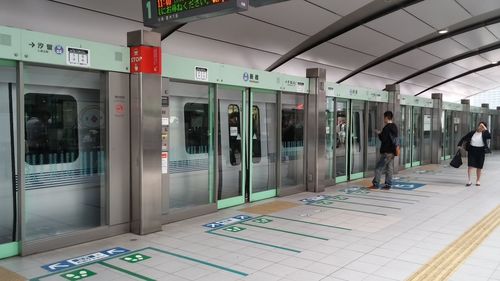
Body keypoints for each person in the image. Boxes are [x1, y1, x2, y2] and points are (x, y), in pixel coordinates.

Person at [369, 111, 398, 190]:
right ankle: (388, 184)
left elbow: (383, 139)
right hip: (392, 152)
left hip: (386, 152)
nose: (383, 119)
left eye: (384, 117)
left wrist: (379, 133)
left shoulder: (386, 127)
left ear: (386, 117)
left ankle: (376, 184)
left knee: (379, 168)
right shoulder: (394, 126)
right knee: (389, 168)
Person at [457, 121, 491, 186]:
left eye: (482, 127)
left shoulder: (484, 134)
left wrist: (485, 128)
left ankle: (478, 180)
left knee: (479, 166)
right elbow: (464, 138)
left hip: (481, 151)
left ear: (484, 128)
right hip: (472, 150)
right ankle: (469, 181)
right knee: (470, 165)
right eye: (480, 126)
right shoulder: (472, 132)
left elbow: (489, 136)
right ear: (477, 126)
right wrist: (459, 145)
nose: (480, 127)